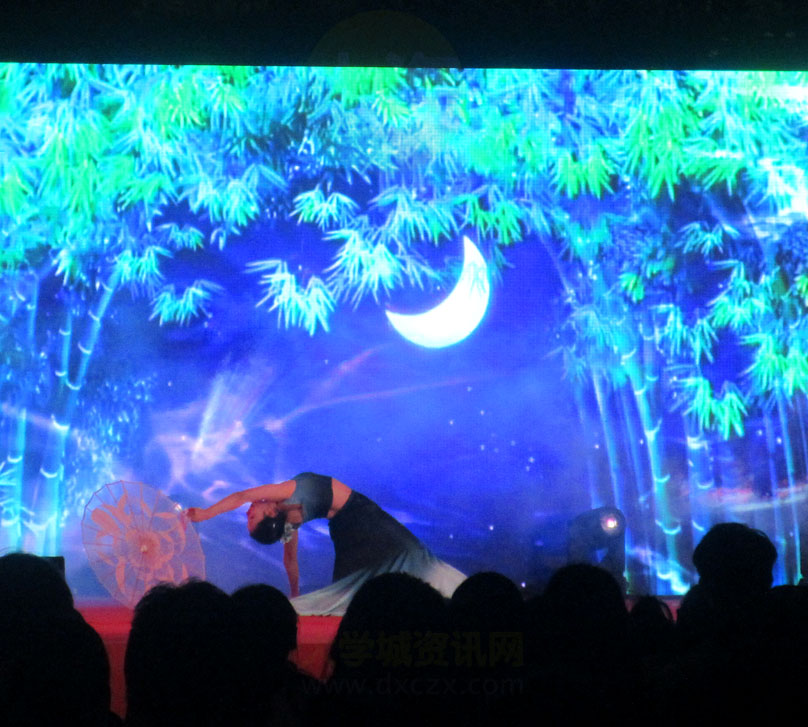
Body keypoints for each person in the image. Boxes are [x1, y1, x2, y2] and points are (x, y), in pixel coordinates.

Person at [186, 471, 465, 615]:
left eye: (248, 515)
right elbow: (242, 497)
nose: (248, 510)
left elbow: (289, 558)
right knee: (355, 584)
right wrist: (205, 514)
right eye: (251, 516)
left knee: (394, 562)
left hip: (356, 521)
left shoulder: (288, 513)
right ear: (270, 512)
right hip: (355, 523)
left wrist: (295, 593)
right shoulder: (287, 507)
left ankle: (452, 595)